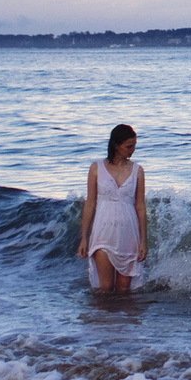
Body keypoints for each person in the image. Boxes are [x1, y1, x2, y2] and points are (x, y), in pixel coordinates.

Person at [77, 124, 148, 292]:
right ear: (117, 145)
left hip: (129, 235)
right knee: (106, 287)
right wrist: (84, 238)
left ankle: (122, 319)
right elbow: (90, 204)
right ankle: (99, 318)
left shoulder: (138, 171)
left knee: (124, 290)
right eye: (129, 146)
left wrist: (144, 241)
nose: (132, 150)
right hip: (103, 233)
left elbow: (140, 207)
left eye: (134, 146)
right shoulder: (96, 168)